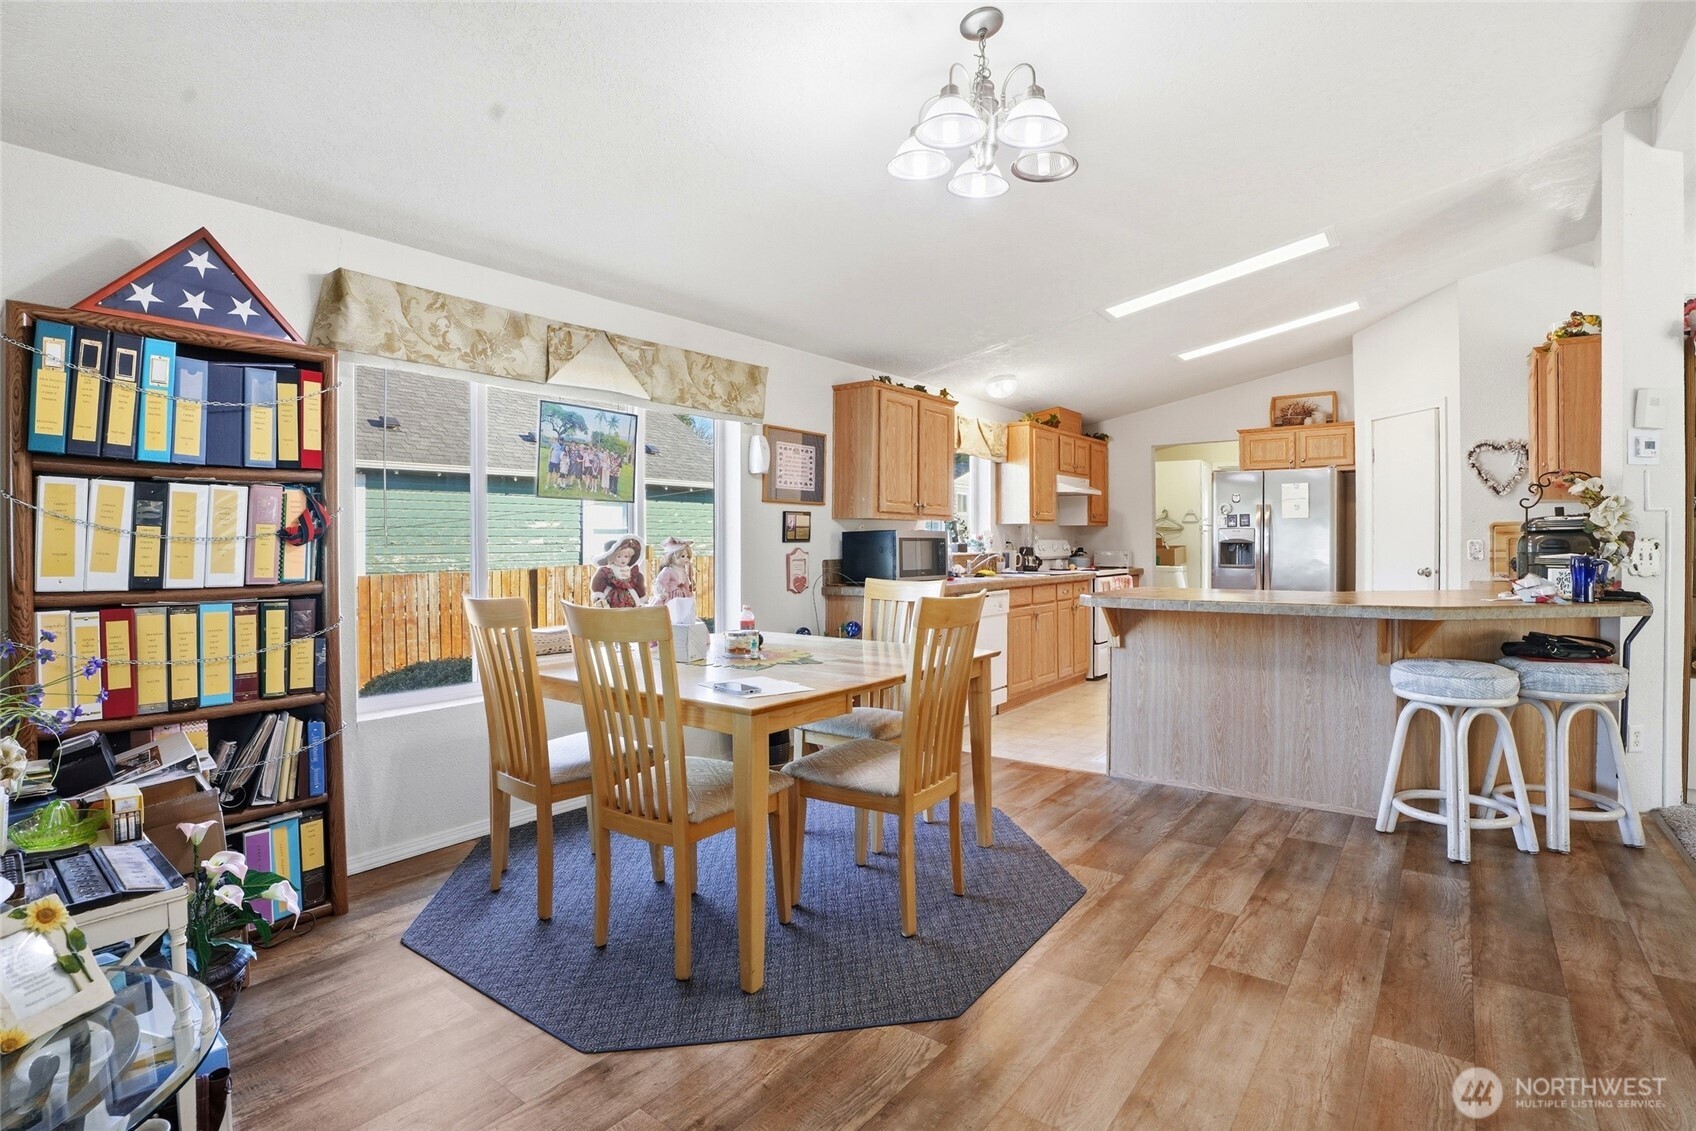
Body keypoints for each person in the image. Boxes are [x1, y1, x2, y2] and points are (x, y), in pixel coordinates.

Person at [590, 535, 646, 608]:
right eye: (619, 557)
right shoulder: (606, 571)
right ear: (612, 558)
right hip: (611, 599)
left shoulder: (633, 573)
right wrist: (599, 597)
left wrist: (641, 598)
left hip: (631, 600)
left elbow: (639, 586)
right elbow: (598, 585)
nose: (623, 559)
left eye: (626, 556)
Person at [648, 536, 695, 605]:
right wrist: (662, 592)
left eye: (687, 557)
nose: (686, 559)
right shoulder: (668, 570)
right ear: (672, 556)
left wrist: (688, 592)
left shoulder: (683, 571)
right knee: (669, 611)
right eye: (682, 556)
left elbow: (686, 584)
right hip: (670, 597)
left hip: (681, 596)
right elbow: (661, 582)